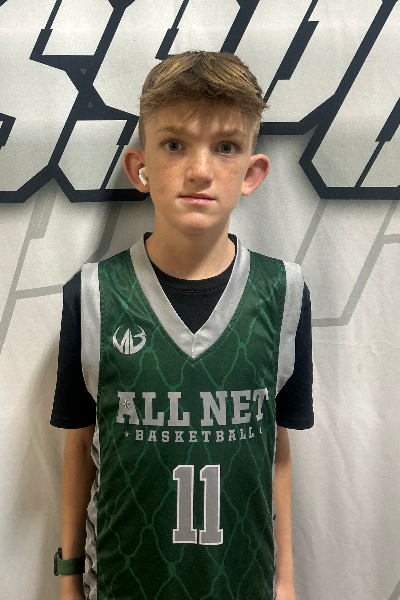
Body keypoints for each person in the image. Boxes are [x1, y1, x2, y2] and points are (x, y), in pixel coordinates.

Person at [51, 50, 314, 600]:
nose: (199, 169)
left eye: (226, 147)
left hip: (242, 583)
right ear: (139, 167)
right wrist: (68, 576)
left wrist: (286, 581)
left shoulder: (283, 292)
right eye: (174, 145)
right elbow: (80, 446)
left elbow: (278, 450)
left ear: (252, 172)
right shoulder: (93, 294)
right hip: (123, 583)